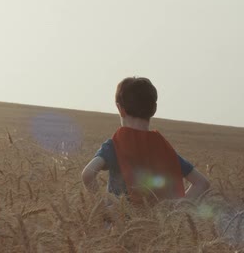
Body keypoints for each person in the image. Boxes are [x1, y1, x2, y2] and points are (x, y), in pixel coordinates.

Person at [81, 77, 210, 204]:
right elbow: (202, 183)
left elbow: (87, 174)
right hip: (155, 224)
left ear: (120, 109)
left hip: (117, 223)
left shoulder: (114, 146)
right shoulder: (163, 149)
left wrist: (103, 206)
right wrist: (176, 208)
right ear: (153, 110)